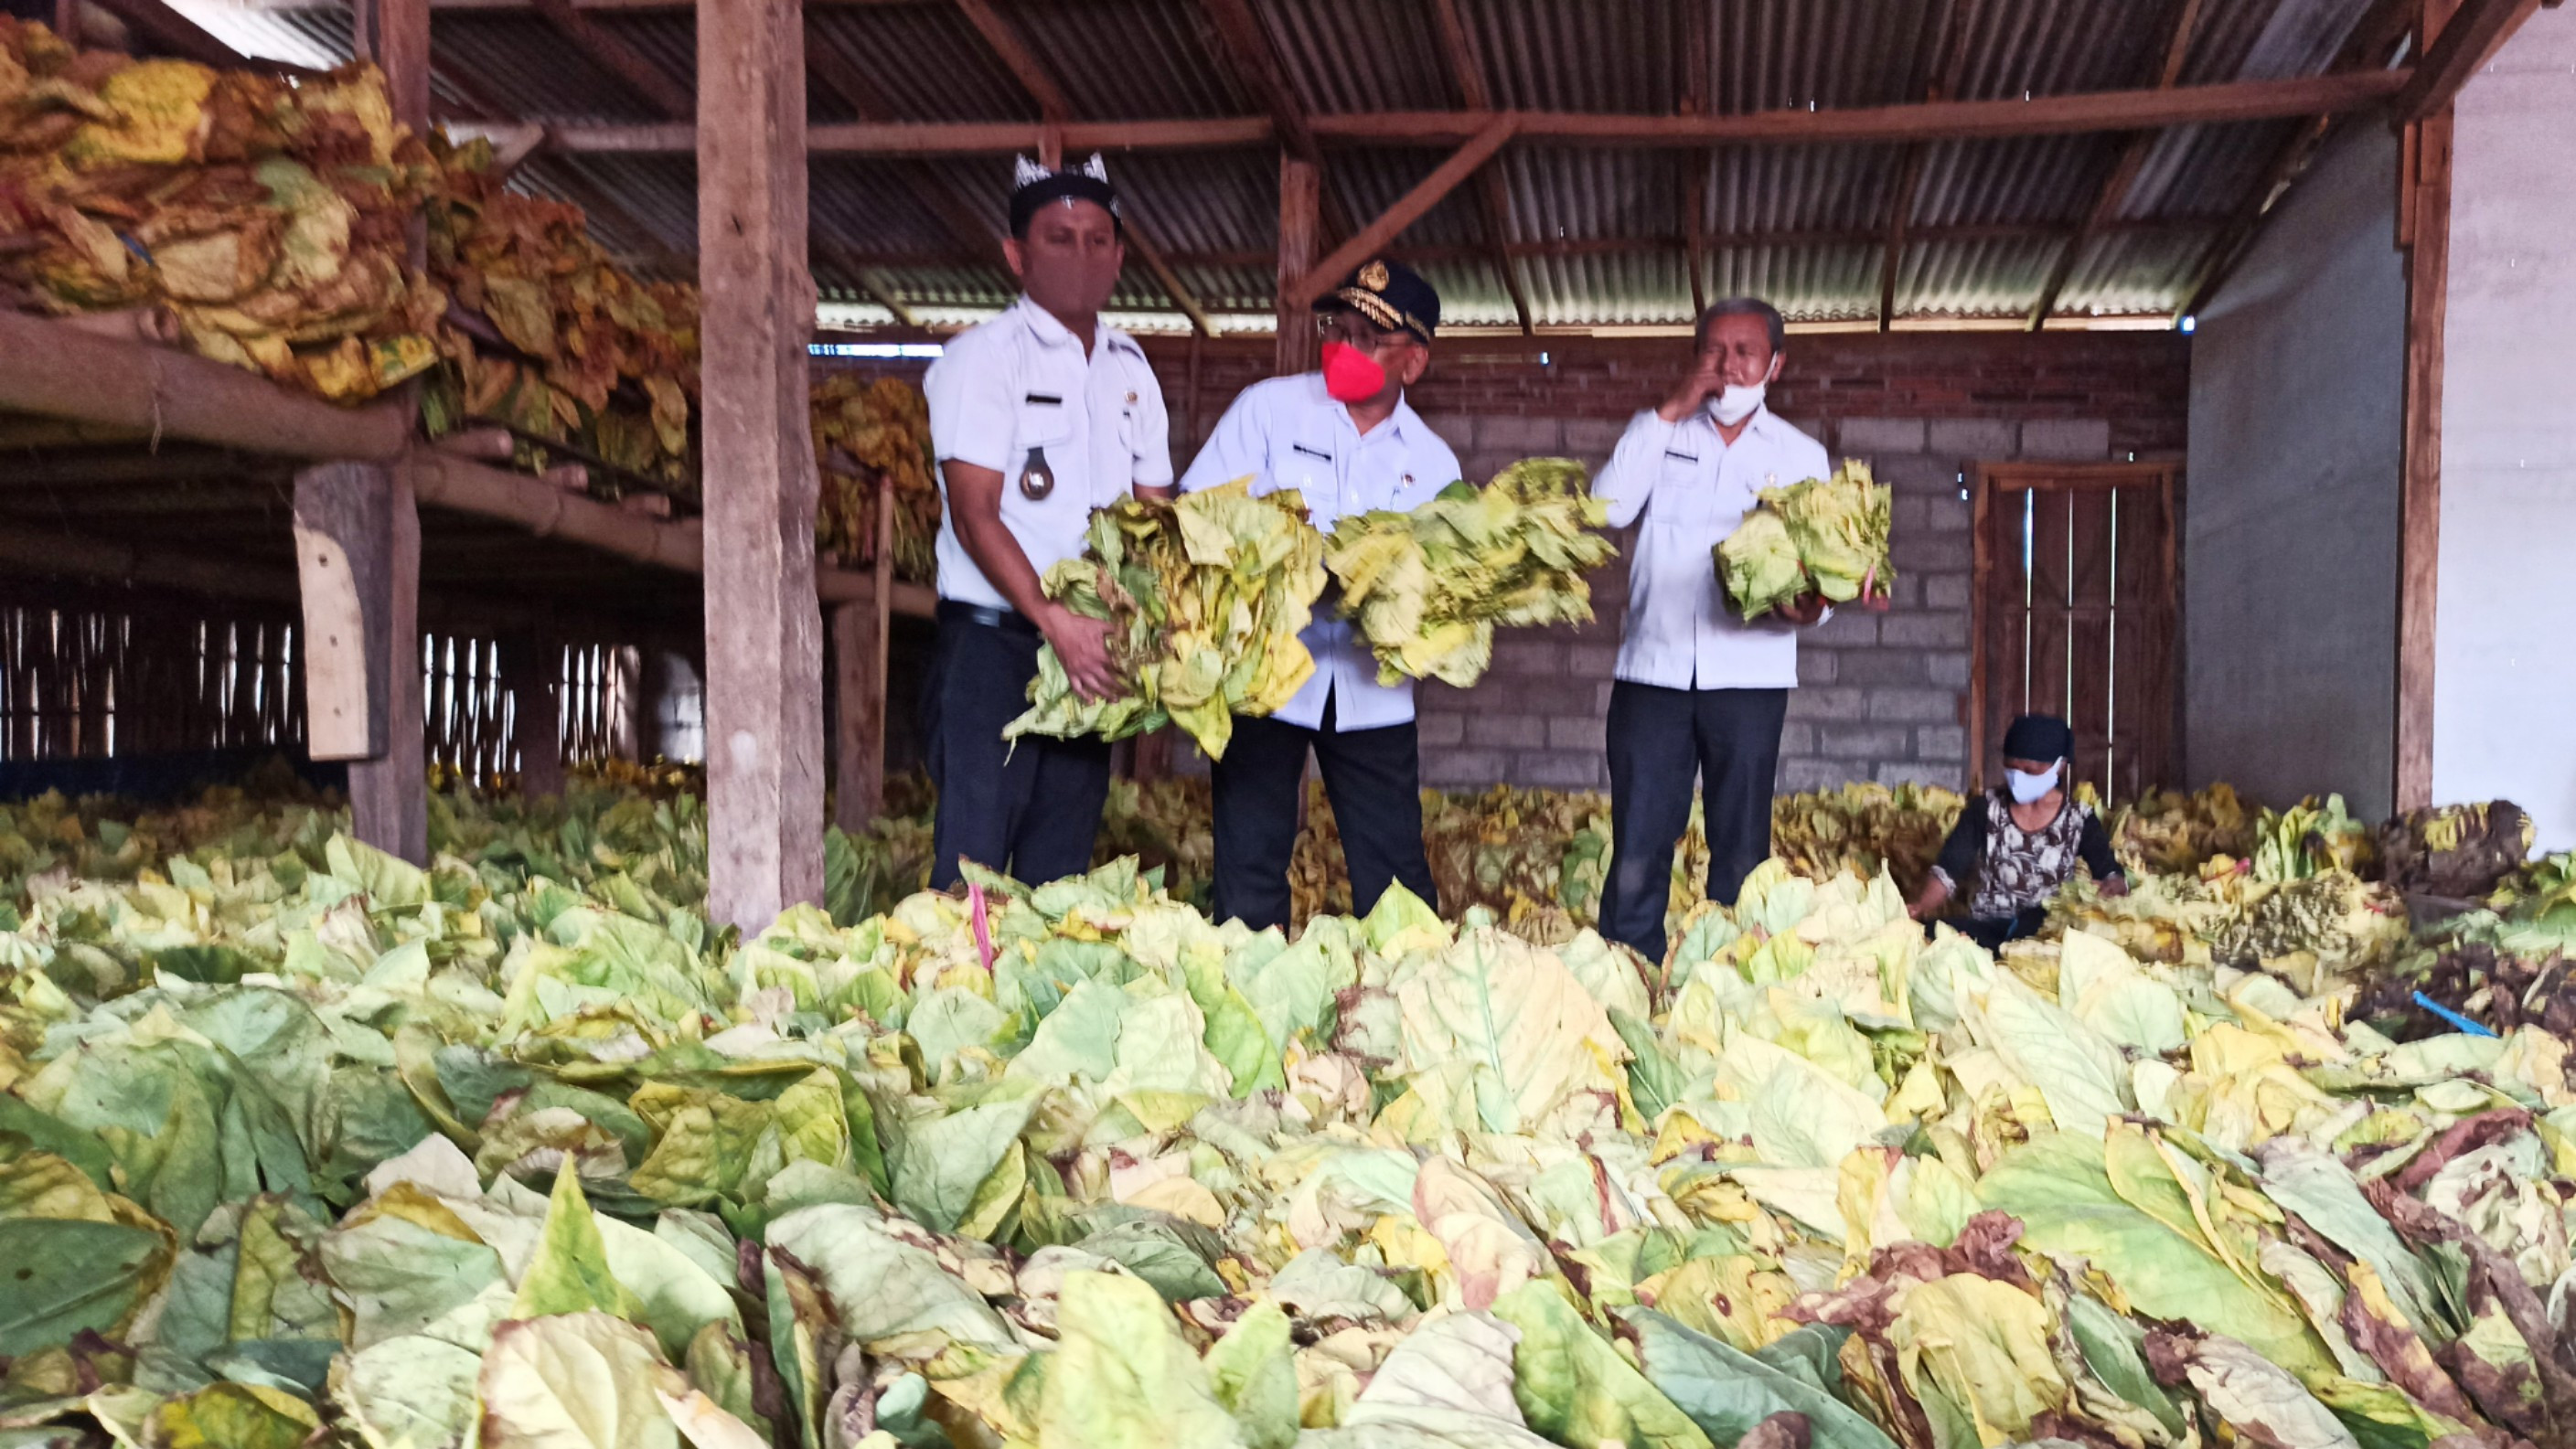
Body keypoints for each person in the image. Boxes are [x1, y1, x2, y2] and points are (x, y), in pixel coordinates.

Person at [1179, 260, 1459, 931]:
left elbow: (1441, 594)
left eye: (1368, 337)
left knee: (1395, 878)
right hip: (1264, 679)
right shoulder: (1269, 410)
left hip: (1372, 695)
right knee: (1249, 861)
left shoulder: (1435, 463)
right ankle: (1251, 1001)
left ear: (1412, 363)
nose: (1344, 346)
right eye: (1339, 327)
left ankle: (1403, 1008)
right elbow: (1195, 517)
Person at [919, 154, 1172, 890]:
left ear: (1120, 255)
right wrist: (1052, 618)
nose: (1081, 255)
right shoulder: (983, 360)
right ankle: (955, 1000)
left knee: (1059, 869)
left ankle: (1027, 1003)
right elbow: (974, 513)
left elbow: (1155, 522)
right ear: (1016, 254)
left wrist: (1148, 626)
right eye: (1058, 238)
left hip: (1092, 655)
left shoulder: (1131, 371)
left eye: (1098, 239)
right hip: (996, 650)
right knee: (973, 864)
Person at [1593, 296, 1831, 964]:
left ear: (1774, 365)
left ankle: (1726, 979)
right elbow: (1607, 506)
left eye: (1744, 351)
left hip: (1748, 679)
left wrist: (1809, 607)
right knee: (1638, 837)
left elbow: (1823, 576)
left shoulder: (1802, 456)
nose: (1726, 365)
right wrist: (1669, 407)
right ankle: (1627, 973)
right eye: (1712, 350)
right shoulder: (1661, 432)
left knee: (1740, 843)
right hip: (1652, 672)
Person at [1910, 714, 2130, 949]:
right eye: (2012, 769)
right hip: (1988, 926)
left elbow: (2109, 873)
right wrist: (1920, 906)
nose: (2019, 778)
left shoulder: (2079, 819)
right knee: (1933, 932)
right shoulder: (1985, 809)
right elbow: (1948, 869)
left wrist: (2113, 887)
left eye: (2030, 771)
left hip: (2047, 933)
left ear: (2060, 766)